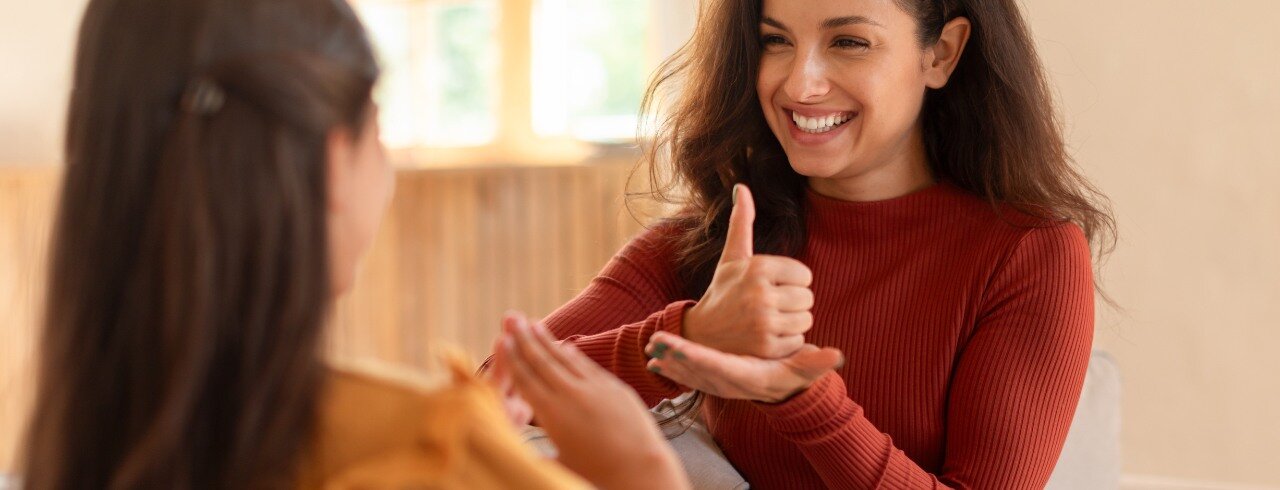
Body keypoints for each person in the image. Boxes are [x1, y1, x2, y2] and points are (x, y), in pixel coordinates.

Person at [19, 0, 688, 488]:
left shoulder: (76, 446)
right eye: (379, 129)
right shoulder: (431, 447)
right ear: (333, 164)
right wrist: (643, 472)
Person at [530, 0, 1115, 487]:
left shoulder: (1028, 254)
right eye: (774, 41)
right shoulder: (715, 237)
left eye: (849, 43)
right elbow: (495, 389)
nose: (799, 83)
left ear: (941, 53)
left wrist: (806, 403)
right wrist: (693, 334)